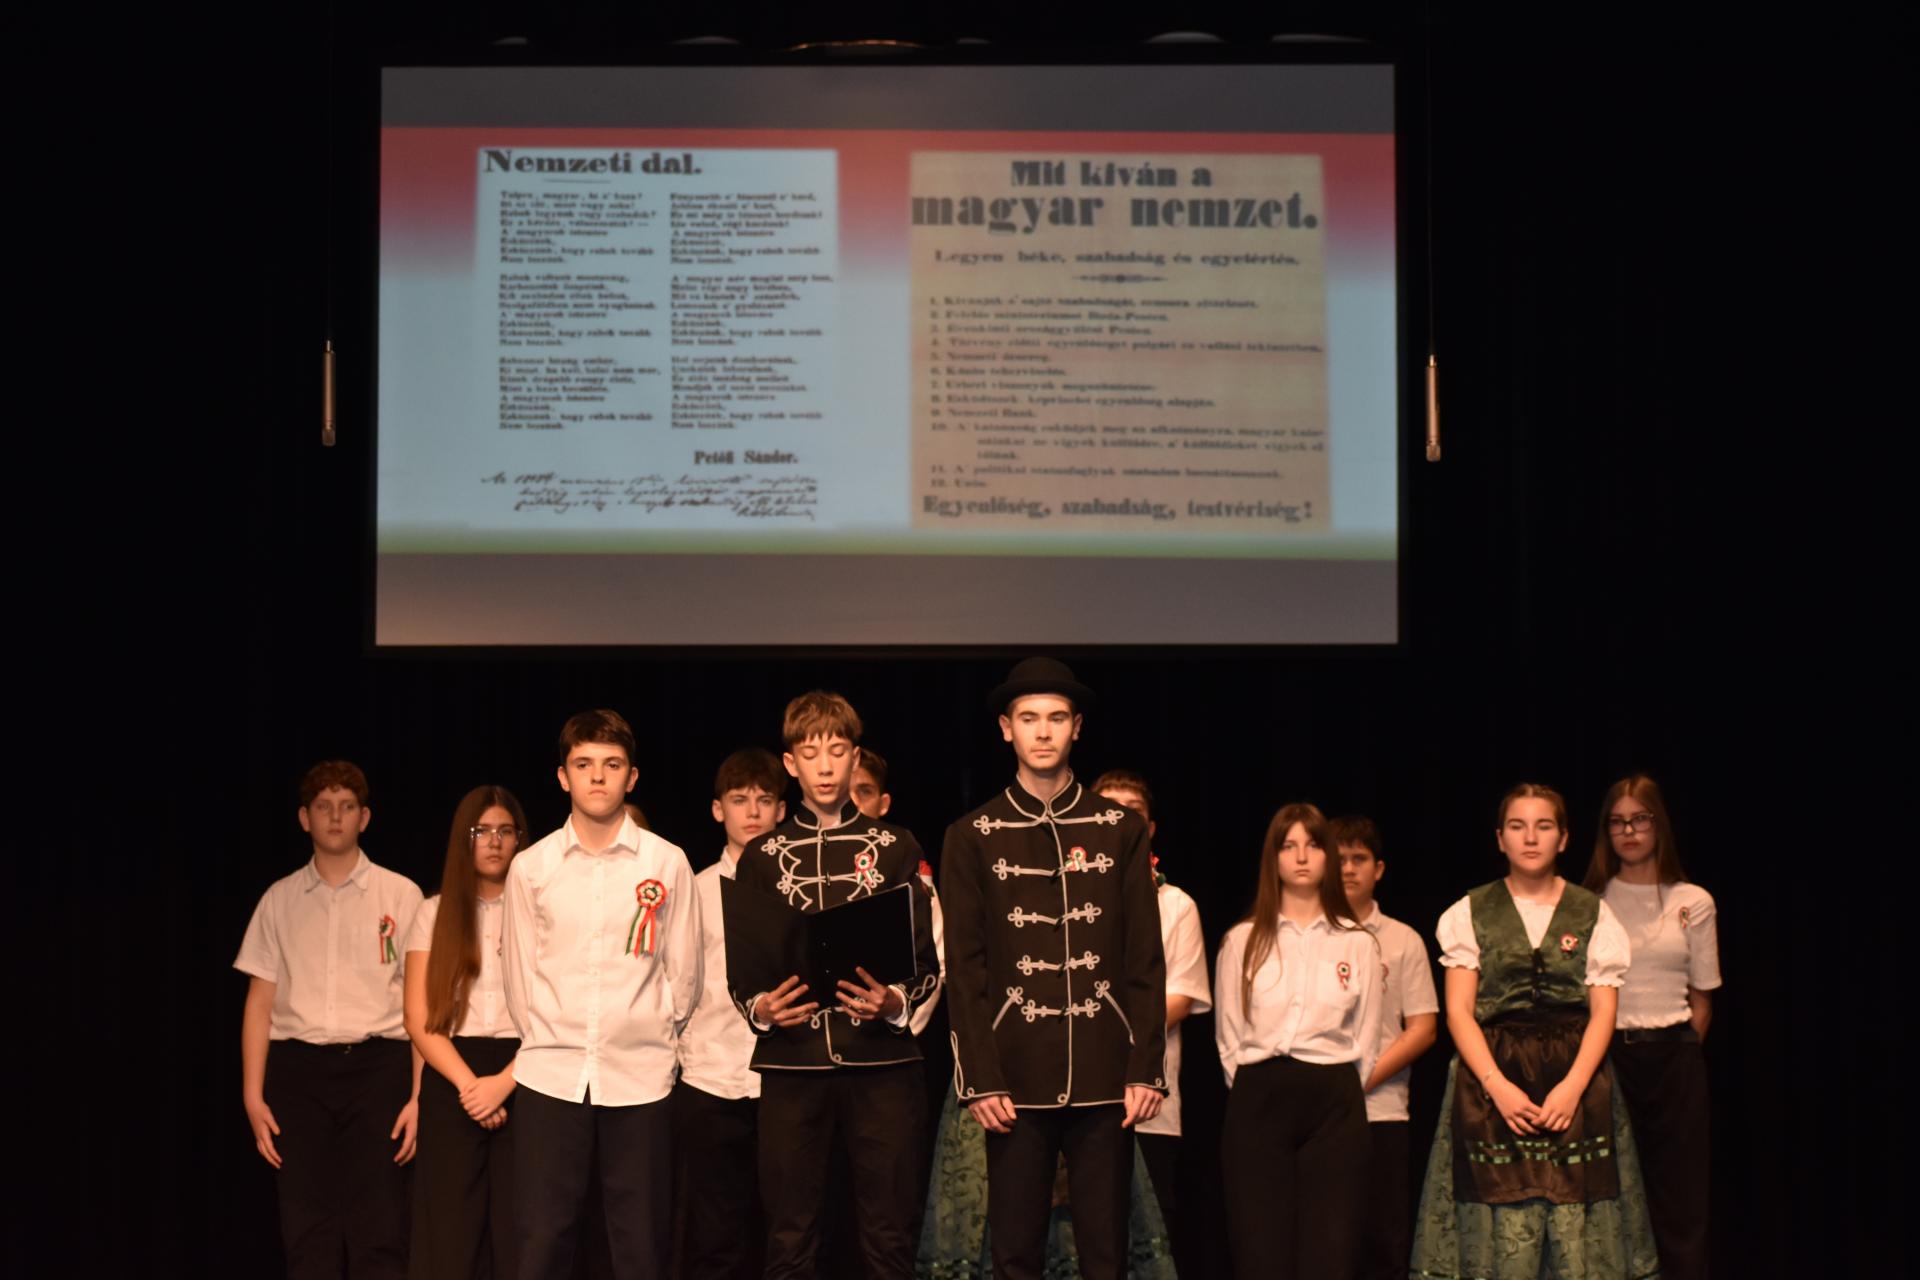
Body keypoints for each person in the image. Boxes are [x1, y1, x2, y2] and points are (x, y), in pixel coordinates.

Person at [940, 658, 1167, 1280]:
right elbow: (965, 968)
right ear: (1005, 728)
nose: (1043, 731)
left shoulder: (1120, 829)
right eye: (1029, 718)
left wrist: (1146, 1066)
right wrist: (979, 1078)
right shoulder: (972, 835)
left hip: (1105, 1070)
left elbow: (1145, 959)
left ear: (1077, 727)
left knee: (1106, 1254)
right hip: (1013, 1074)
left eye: (1057, 718)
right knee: (1014, 1253)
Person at [727, 692, 941, 1280]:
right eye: (810, 753)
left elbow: (926, 965)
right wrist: (763, 1009)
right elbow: (743, 976)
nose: (825, 767)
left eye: (838, 751)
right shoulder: (762, 857)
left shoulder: (896, 846)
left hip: (883, 1067)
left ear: (855, 758)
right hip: (793, 1066)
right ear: (790, 763)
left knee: (889, 1235)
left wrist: (893, 1002)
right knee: (789, 1235)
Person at [1410, 783, 1660, 1280]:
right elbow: (1459, 1011)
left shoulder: (1591, 912)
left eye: (1543, 826)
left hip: (1574, 1077)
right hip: (1492, 1078)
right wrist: (1497, 1086)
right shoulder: (1469, 912)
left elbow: (1603, 1012)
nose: (1530, 838)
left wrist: (1573, 1086)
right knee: (1498, 1215)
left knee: (1576, 1217)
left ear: (1562, 838)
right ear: (1499, 838)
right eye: (1517, 826)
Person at [502, 709, 701, 1280]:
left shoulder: (666, 862)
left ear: (631, 777)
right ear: (562, 776)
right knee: (543, 1242)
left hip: (641, 1078)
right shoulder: (531, 867)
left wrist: (647, 1032)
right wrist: (552, 1035)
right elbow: (520, 979)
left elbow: (684, 976)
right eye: (583, 763)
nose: (597, 776)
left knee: (640, 1246)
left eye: (611, 765)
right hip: (551, 1076)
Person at [235, 760, 425, 1278]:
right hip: (299, 1073)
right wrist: (252, 1095)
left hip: (378, 1069)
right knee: (306, 1226)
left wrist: (418, 1095)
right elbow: (259, 1003)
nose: (335, 817)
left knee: (381, 1224)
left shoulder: (400, 894)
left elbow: (420, 1005)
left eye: (346, 806)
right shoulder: (279, 900)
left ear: (365, 817)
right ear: (304, 818)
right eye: (323, 807)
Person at [1214, 802, 1382, 1280]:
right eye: (1288, 846)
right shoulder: (1242, 940)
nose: (1302, 857)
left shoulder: (1357, 942)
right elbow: (1229, 1036)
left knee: (1330, 1251)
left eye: (1313, 845)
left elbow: (1367, 1038)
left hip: (1333, 1100)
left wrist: (1339, 1087)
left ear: (1329, 856)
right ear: (1273, 858)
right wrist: (1256, 1088)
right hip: (1260, 1097)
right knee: (1261, 1250)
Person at [1584, 774, 1720, 1280]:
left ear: (1658, 825)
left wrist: (1677, 1052)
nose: (1629, 831)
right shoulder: (1589, 902)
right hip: (1609, 1057)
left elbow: (1702, 998)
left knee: (1679, 1195)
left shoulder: (1693, 900)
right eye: (1617, 822)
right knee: (1612, 1190)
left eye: (1639, 819)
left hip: (1675, 1057)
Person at [403, 785, 530, 1280]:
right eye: (481, 831)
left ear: (520, 840)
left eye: (505, 831)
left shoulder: (539, 911)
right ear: (464, 839)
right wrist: (470, 1086)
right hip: (453, 1074)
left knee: (521, 1233)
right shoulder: (433, 913)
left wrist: (504, 1082)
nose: (494, 841)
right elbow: (418, 1016)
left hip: (525, 1071)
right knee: (452, 1237)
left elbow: (557, 1011)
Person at [674, 748, 786, 1280]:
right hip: (711, 1079)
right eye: (740, 800)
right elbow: (677, 987)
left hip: (784, 1079)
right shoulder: (695, 891)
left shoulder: (798, 888)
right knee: (717, 1236)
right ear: (718, 810)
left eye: (765, 800)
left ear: (781, 810)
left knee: (788, 1230)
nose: (753, 812)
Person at [1091, 769, 1209, 1253]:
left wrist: (1102, 1032)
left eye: (1132, 812)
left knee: (1145, 1236)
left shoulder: (1175, 904)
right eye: (1107, 810)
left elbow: (1179, 998)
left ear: (1151, 828)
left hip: (1147, 1099)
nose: (1119, 820)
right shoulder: (1056, 895)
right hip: (1074, 1094)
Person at [1328, 815, 1439, 1280]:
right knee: (1326, 1240)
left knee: (1382, 1240)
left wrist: (1361, 1079)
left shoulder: (1403, 939)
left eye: (1359, 858)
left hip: (1383, 1109)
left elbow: (1423, 1028)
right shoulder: (1307, 935)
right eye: (1338, 859)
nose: (1348, 868)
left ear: (1379, 869)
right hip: (1319, 1110)